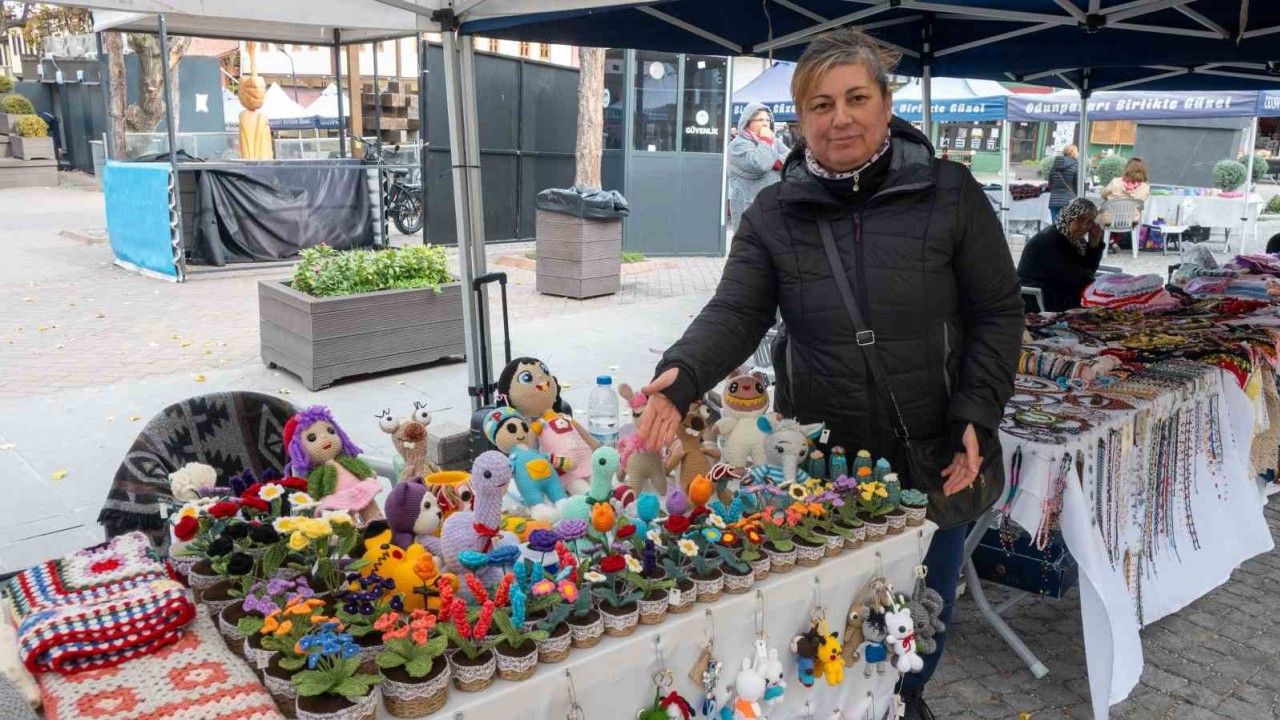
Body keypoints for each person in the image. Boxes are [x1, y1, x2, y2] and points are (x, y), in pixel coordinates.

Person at [637, 28, 1023, 720]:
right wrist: (683, 372)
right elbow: (737, 309)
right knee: (827, 623)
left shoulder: (950, 193)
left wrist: (977, 413)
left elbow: (997, 312)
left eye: (856, 98)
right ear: (800, 117)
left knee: (921, 614)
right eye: (821, 104)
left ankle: (906, 701)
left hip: (937, 454)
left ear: (885, 105)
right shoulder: (774, 213)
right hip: (824, 467)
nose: (840, 117)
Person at [1017, 198, 1105, 312]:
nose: (1084, 226)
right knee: (1098, 304)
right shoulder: (1051, 239)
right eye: (1080, 219)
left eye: (1090, 222)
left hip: (1059, 291)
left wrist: (1094, 246)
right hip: (1038, 296)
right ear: (1068, 217)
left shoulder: (1075, 240)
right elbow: (1076, 276)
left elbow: (1087, 272)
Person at [728, 102, 789, 230]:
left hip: (774, 205)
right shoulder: (738, 145)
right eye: (760, 120)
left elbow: (790, 157)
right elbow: (761, 163)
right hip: (750, 208)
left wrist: (775, 161)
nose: (765, 123)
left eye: (767, 119)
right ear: (748, 122)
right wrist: (765, 140)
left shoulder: (774, 140)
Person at [1047, 144, 1080, 223]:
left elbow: (1050, 184)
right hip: (1069, 201)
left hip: (1054, 201)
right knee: (1067, 227)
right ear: (1074, 153)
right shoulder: (1076, 166)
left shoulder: (1055, 165)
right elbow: (1077, 185)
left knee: (1055, 227)